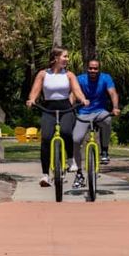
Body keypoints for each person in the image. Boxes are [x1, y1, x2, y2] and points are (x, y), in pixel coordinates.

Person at [26, 48, 89, 187]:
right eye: (65, 56)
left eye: (67, 57)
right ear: (55, 58)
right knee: (46, 138)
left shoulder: (69, 75)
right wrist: (31, 100)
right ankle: (45, 175)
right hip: (48, 108)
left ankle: (70, 159)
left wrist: (83, 99)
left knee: (66, 132)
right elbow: (35, 90)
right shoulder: (43, 74)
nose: (67, 59)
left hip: (66, 108)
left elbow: (77, 90)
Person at [71, 59, 120, 189]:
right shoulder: (80, 79)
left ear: (99, 69)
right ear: (87, 68)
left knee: (107, 120)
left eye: (95, 68)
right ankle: (79, 173)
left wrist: (115, 107)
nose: (93, 71)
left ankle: (104, 151)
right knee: (76, 140)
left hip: (99, 112)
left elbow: (113, 93)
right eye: (91, 68)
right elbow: (73, 95)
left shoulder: (106, 78)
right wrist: (70, 108)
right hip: (83, 113)